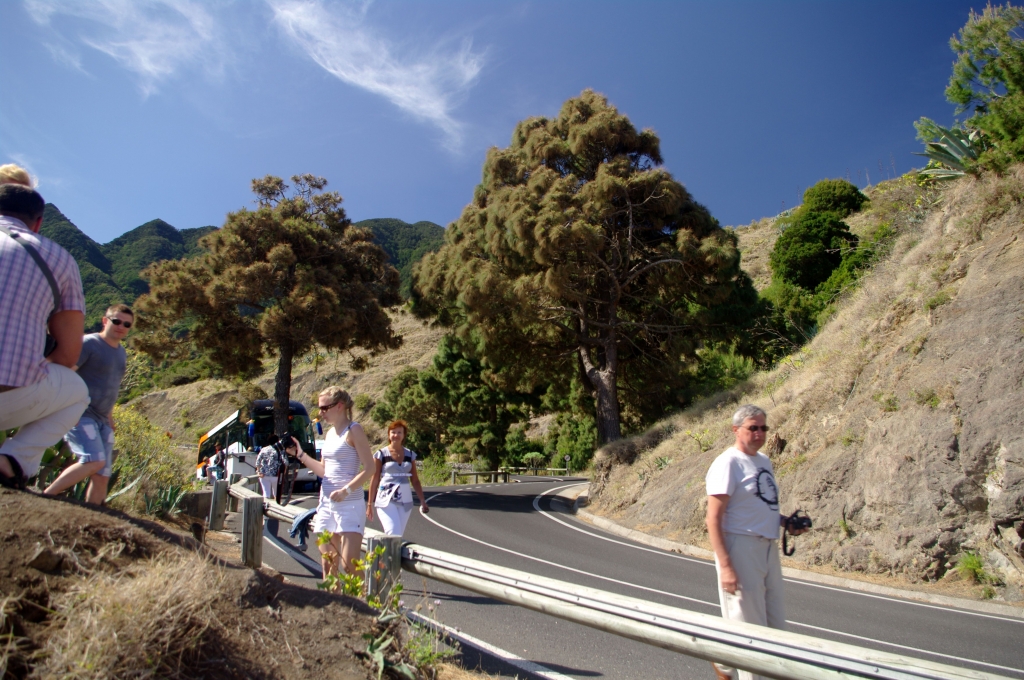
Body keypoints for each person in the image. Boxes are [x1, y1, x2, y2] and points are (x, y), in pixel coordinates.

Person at [705, 404, 808, 680]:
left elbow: (761, 507)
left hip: (768, 548)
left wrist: (786, 523)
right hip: (741, 548)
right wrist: (726, 566)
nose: (759, 433)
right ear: (736, 430)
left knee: (775, 627)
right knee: (751, 630)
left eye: (763, 428)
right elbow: (713, 519)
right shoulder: (728, 463)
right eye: (753, 428)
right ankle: (730, 665)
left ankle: (723, 660)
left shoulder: (763, 461)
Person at [0, 184, 88, 490]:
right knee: (77, 392)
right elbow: (67, 355)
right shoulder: (60, 259)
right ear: (38, 223)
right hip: (8, 396)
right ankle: (12, 461)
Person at [43, 305, 133, 505]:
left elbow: (111, 386)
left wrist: (109, 417)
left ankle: (95, 513)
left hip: (103, 419)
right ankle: (47, 495)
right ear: (105, 321)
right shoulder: (89, 344)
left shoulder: (121, 353)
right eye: (116, 321)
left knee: (103, 474)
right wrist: (63, 406)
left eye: (127, 324)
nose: (121, 326)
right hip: (81, 413)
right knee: (93, 460)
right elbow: (65, 373)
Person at [289, 387, 374, 576]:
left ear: (339, 406)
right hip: (326, 504)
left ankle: (363, 596)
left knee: (349, 564)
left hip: (350, 505)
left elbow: (370, 468)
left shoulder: (354, 430)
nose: (321, 413)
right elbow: (323, 470)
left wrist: (346, 491)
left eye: (324, 408)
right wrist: (300, 454)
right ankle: (334, 596)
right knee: (328, 564)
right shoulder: (329, 434)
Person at [366, 419, 429, 536]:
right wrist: (369, 504)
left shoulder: (410, 454)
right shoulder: (381, 454)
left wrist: (422, 500)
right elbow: (375, 479)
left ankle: (389, 549)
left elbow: (415, 480)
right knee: (392, 532)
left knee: (398, 535)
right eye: (393, 432)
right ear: (389, 435)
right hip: (386, 498)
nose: (396, 435)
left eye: (399, 432)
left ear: (404, 435)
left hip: (405, 499)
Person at [255, 434, 286, 500]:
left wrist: (258, 471)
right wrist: (284, 472)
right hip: (276, 474)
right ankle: (276, 505)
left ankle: (266, 505)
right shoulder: (280, 450)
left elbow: (258, 461)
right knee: (276, 494)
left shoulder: (264, 449)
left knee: (266, 493)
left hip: (264, 474)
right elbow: (285, 462)